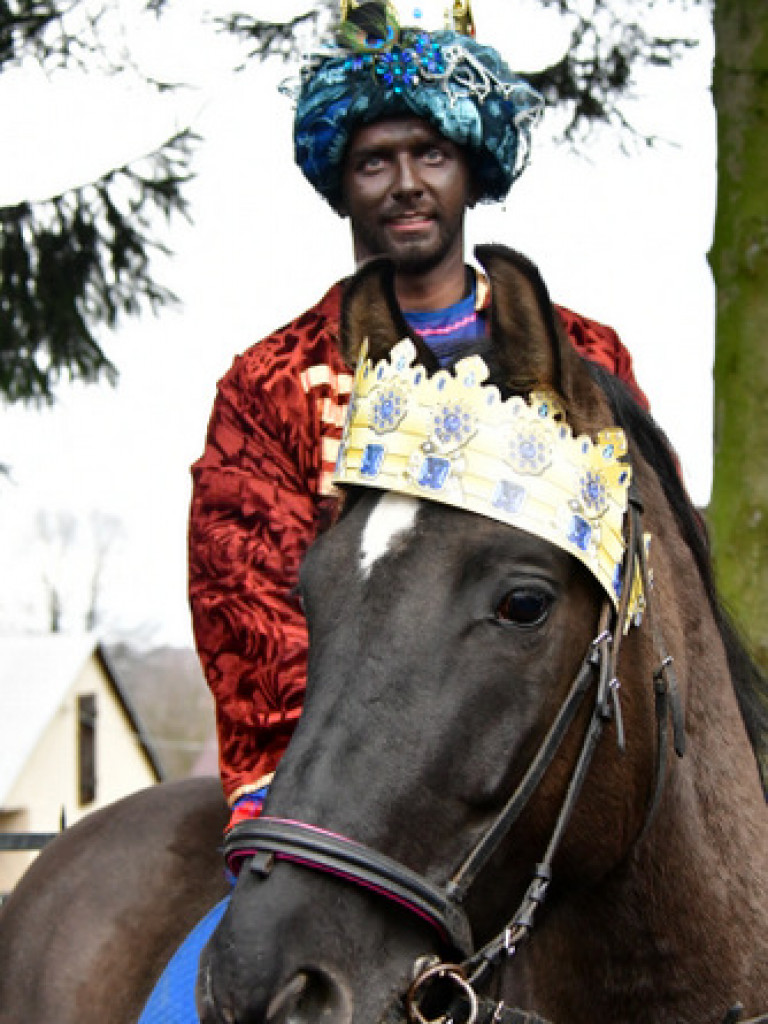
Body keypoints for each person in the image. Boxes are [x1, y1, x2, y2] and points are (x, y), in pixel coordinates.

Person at [188, 0, 649, 853]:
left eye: (431, 153)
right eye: (374, 161)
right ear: (340, 185)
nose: (405, 182)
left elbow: (644, 566)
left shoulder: (589, 357)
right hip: (352, 774)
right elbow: (243, 603)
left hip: (556, 752)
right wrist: (327, 776)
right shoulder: (270, 384)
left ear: (470, 168)